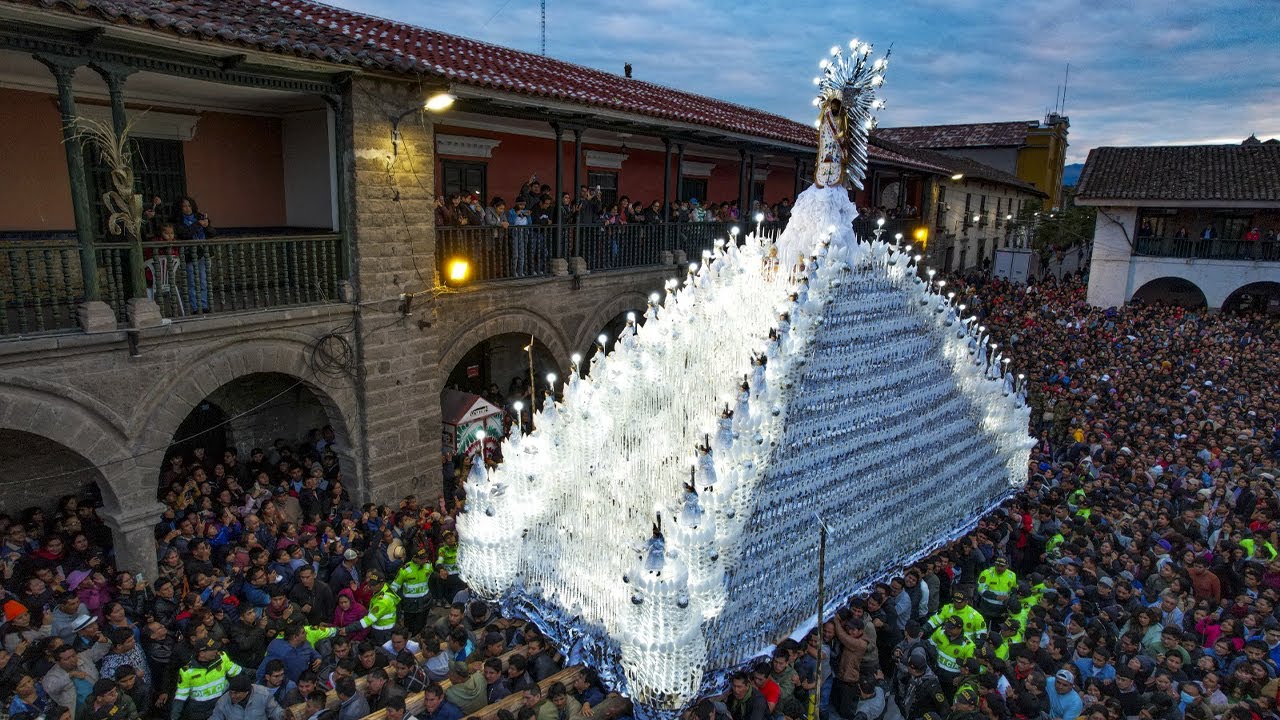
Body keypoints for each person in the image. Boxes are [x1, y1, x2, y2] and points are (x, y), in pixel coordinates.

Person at [171, 636, 244, 720]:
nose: (216, 651)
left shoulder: (222, 658)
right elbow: (180, 697)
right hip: (199, 712)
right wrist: (174, 717)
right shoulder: (186, 672)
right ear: (202, 653)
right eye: (212, 649)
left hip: (222, 706)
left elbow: (239, 672)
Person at [174, 196, 216, 314]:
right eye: (184, 206)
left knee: (203, 281)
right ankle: (196, 307)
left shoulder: (200, 216)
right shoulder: (179, 221)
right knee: (192, 281)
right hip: (190, 254)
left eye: (189, 205)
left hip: (204, 253)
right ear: (180, 208)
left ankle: (204, 305)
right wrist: (197, 224)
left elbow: (213, 233)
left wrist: (207, 225)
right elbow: (185, 234)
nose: (187, 208)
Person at [342, 570, 398, 645]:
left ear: (381, 584)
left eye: (374, 585)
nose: (370, 587)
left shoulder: (383, 601)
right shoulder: (381, 590)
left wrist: (347, 629)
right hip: (382, 630)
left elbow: (368, 620)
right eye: (370, 584)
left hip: (383, 633)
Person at [391, 548, 433, 634]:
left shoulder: (428, 565)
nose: (425, 560)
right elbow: (395, 585)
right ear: (415, 558)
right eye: (422, 558)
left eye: (425, 558)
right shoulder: (405, 570)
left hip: (425, 601)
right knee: (409, 625)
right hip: (410, 604)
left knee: (421, 625)